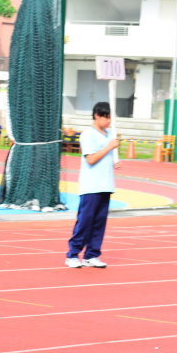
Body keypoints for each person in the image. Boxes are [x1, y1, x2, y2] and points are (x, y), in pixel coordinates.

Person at [66, 101, 120, 269]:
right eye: (106, 117)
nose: (108, 121)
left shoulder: (109, 134)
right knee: (85, 221)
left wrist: (114, 152)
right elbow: (91, 159)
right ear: (97, 116)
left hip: (106, 185)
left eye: (110, 117)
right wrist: (108, 147)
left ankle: (92, 254)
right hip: (91, 186)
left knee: (99, 223)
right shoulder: (88, 134)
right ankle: (73, 254)